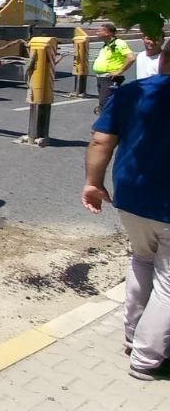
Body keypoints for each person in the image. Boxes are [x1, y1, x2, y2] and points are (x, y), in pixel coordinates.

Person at [82, 49, 170, 380]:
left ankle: (133, 338)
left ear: (163, 59)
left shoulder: (132, 92)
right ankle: (147, 359)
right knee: (168, 282)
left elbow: (100, 140)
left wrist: (92, 183)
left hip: (131, 198)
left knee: (142, 261)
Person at [94, 22, 136, 113]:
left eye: (99, 31)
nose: (97, 32)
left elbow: (131, 58)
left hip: (110, 78)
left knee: (106, 105)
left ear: (108, 33)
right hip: (101, 78)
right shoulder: (106, 45)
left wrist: (119, 72)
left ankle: (108, 125)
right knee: (104, 104)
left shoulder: (118, 43)